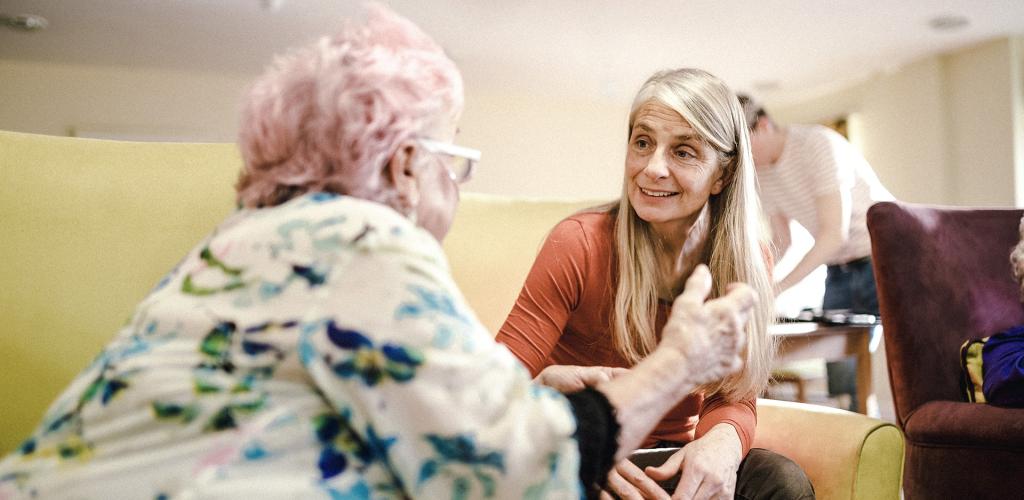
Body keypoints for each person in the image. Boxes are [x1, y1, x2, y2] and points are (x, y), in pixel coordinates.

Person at [0, 6, 759, 499]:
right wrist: (678, 364)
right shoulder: (363, 242)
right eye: (454, 157)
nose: (458, 186)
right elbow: (510, 467)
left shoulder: (248, 242)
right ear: (403, 165)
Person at [497, 69, 814, 499]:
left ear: (723, 175)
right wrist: (575, 426)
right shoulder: (579, 243)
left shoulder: (747, 260)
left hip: (670, 458)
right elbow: (492, 391)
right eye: (642, 143)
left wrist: (722, 442)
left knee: (779, 480)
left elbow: (732, 395)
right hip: (583, 446)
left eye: (684, 152)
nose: (653, 168)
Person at [738, 94, 895, 315]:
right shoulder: (760, 172)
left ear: (763, 126)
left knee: (899, 345)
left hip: (882, 258)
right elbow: (782, 240)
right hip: (838, 267)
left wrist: (777, 289)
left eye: (743, 144)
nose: (741, 156)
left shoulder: (817, 144)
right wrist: (756, 282)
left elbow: (833, 235)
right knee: (838, 347)